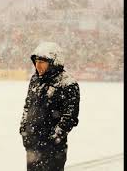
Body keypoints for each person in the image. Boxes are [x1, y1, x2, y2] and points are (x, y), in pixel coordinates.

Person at [19, 42, 80, 171]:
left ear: (54, 62)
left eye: (42, 62)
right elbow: (27, 106)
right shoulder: (35, 80)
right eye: (36, 61)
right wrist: (24, 130)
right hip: (32, 145)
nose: (38, 65)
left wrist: (53, 139)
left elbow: (69, 117)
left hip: (53, 150)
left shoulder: (68, 84)